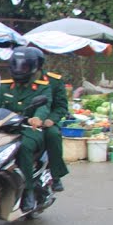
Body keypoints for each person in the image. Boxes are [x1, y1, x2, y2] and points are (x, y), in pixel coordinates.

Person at [0, 47, 50, 212]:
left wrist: (37, 118)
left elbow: (44, 108)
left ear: (33, 68)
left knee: (24, 148)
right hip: (6, 129)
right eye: (17, 65)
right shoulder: (5, 87)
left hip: (29, 130)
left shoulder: (42, 88)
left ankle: (29, 191)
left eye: (24, 67)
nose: (19, 70)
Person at [32, 50, 69, 192]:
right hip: (25, 120)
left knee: (52, 135)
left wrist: (51, 120)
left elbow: (61, 106)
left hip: (47, 122)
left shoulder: (54, 81)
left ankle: (56, 175)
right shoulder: (19, 81)